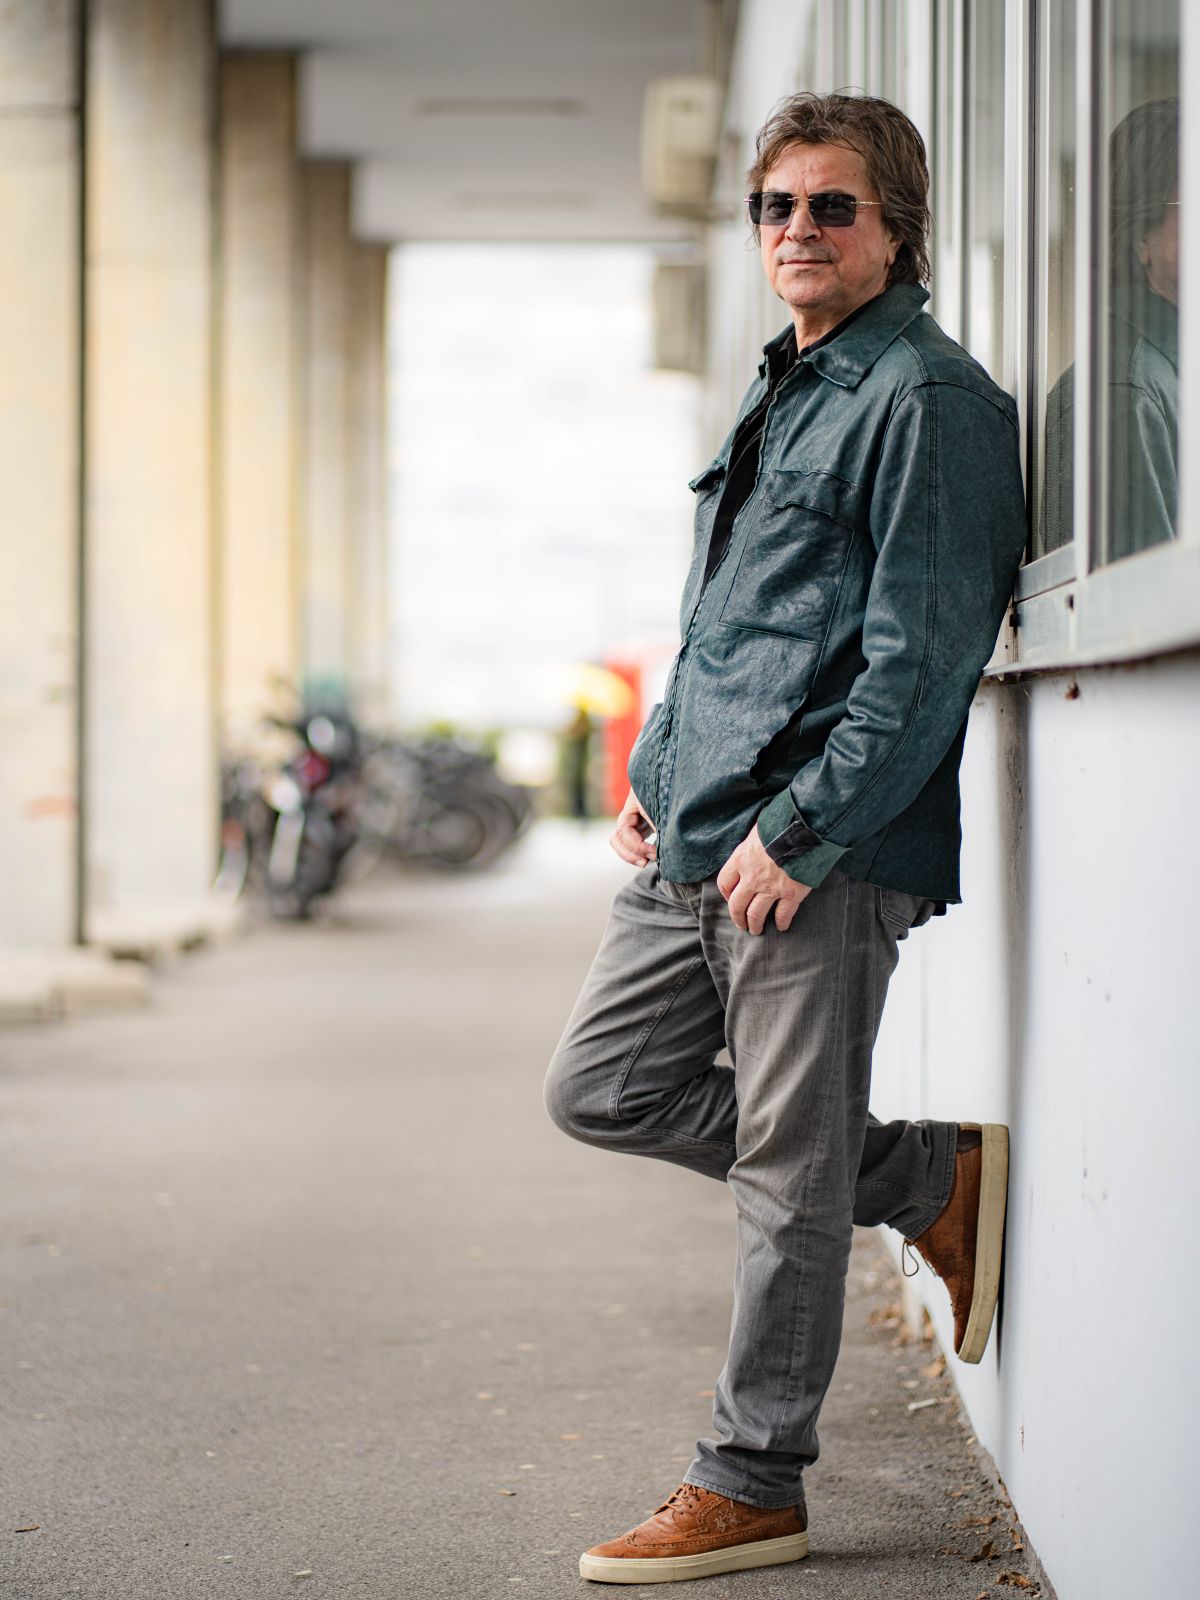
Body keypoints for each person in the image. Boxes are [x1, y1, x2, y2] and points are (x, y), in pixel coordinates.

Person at [544, 91, 1027, 1586]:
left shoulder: (930, 403)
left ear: (897, 230)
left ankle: (752, 1483)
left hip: (813, 858)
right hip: (695, 833)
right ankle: (924, 1179)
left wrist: (805, 833)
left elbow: (921, 661)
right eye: (776, 206)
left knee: (783, 1179)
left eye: (832, 206)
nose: (798, 230)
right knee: (603, 1088)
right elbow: (730, 620)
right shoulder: (788, 384)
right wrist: (660, 762)